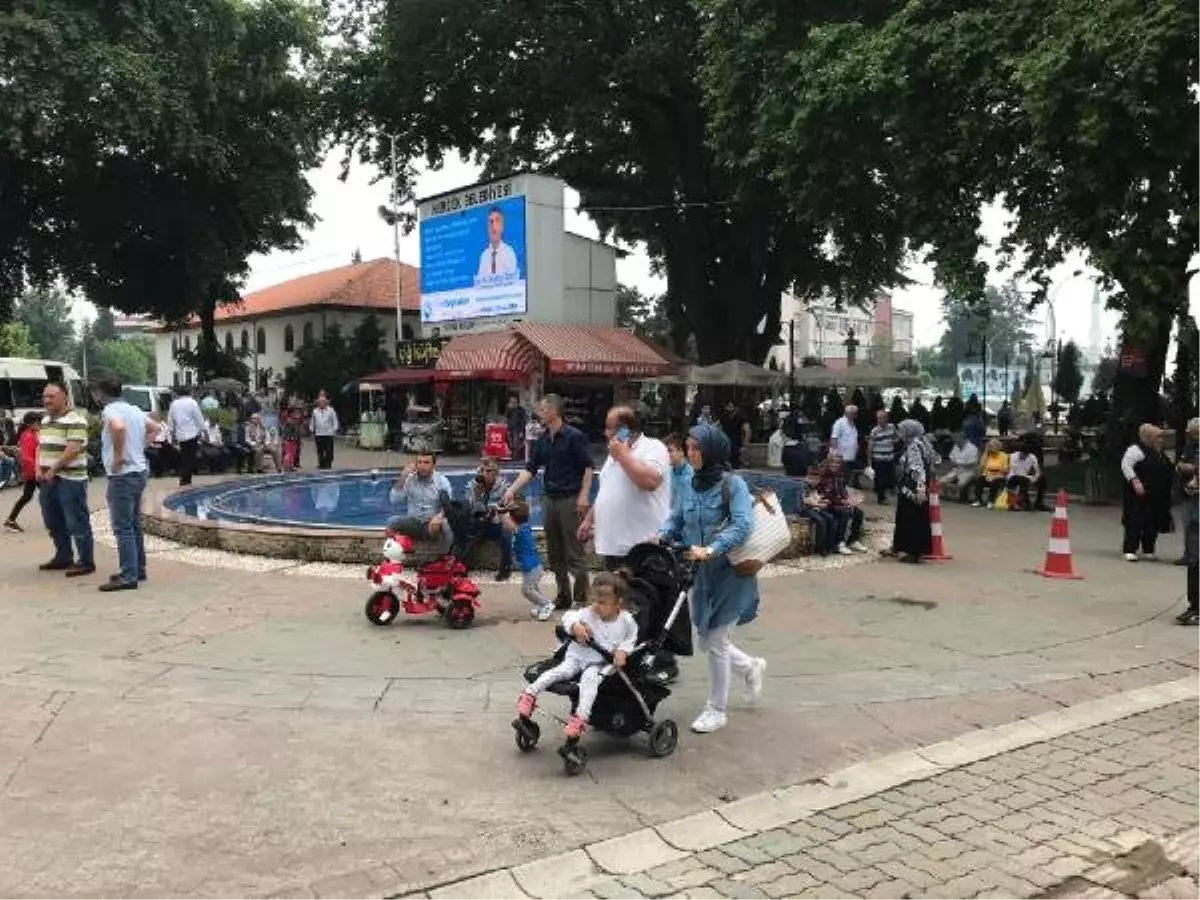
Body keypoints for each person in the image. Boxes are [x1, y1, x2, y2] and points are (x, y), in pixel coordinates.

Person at [660, 424, 766, 734]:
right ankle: (750, 667)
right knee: (705, 640)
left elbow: (743, 525)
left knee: (716, 642)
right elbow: (677, 518)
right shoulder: (690, 484)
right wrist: (662, 534)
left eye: (697, 448)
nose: (691, 453)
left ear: (713, 451)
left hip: (730, 575)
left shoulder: (733, 485)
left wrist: (712, 548)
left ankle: (716, 710)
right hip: (699, 576)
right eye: (689, 447)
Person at [515, 572, 637, 739]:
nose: (596, 606)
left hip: (600, 662)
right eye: (594, 600)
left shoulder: (626, 620)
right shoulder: (589, 613)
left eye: (602, 603)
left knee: (589, 682)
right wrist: (575, 626)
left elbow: (631, 638)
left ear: (618, 603)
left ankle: (580, 718)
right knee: (559, 672)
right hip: (578, 655)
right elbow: (568, 616)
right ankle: (529, 695)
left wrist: (622, 651)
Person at [503, 395, 594, 609]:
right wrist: (512, 489)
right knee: (554, 552)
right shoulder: (543, 440)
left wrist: (584, 495)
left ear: (554, 410)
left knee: (574, 552)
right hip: (550, 498)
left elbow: (588, 467)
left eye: (543, 409)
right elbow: (530, 469)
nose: (540, 413)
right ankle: (564, 595)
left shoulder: (574, 436)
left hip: (570, 498)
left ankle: (581, 598)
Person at [579, 406, 670, 571]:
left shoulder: (653, 448)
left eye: (608, 428)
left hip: (640, 546)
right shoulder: (613, 454)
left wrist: (623, 456)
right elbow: (607, 489)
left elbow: (650, 481)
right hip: (613, 547)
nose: (605, 434)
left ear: (624, 430)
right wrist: (589, 519)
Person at [94, 378, 152, 591]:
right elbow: (155, 427)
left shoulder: (111, 411)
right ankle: (138, 568)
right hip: (139, 471)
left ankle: (129, 575)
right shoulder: (135, 409)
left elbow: (118, 428)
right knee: (133, 523)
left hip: (122, 475)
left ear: (100, 393)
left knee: (123, 526)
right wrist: (140, 448)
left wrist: (118, 456)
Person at [36, 382, 95, 577]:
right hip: (47, 479)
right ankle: (63, 556)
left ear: (64, 397)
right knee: (52, 520)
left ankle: (86, 561)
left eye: (51, 396)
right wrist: (39, 468)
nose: (47, 400)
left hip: (70, 479)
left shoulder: (75, 419)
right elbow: (41, 446)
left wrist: (53, 468)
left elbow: (73, 448)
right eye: (45, 396)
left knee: (76, 520)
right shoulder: (45, 421)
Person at [1120, 424, 1173, 562]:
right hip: (1139, 492)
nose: (1161, 439)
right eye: (1158, 436)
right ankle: (1130, 549)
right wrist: (1135, 481)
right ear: (1148, 436)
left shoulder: (1159, 451)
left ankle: (1148, 549)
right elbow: (1126, 465)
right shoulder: (1135, 450)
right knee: (1135, 520)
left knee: (1152, 522)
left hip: (1156, 494)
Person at [888, 419, 935, 564]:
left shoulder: (914, 446)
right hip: (914, 486)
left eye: (901, 430)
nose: (899, 433)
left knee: (910, 519)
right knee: (913, 518)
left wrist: (919, 489)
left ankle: (913, 551)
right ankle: (903, 547)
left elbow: (918, 468)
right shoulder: (920, 443)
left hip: (911, 488)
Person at [499, 500, 555, 621]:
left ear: (513, 518)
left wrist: (501, 513)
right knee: (533, 588)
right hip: (532, 567)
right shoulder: (523, 527)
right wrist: (504, 512)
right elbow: (507, 524)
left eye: (510, 515)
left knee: (527, 590)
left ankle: (546, 605)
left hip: (532, 568)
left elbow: (507, 525)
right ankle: (541, 604)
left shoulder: (521, 529)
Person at [388, 452, 455, 552]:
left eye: (426, 462)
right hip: (413, 522)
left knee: (446, 524)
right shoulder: (409, 479)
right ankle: (396, 553)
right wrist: (403, 477)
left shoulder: (442, 481)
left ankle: (446, 555)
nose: (422, 466)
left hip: (431, 525)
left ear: (433, 465)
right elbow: (394, 499)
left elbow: (448, 506)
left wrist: (439, 516)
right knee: (392, 522)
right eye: (419, 462)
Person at [810, 453, 867, 554]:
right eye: (832, 462)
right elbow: (825, 496)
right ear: (828, 463)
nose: (835, 465)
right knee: (844, 512)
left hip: (837, 503)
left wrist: (850, 500)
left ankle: (853, 540)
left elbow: (842, 491)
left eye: (838, 463)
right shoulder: (823, 477)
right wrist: (842, 502)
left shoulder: (839, 476)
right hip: (825, 505)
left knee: (858, 512)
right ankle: (839, 542)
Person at [467, 456, 513, 579]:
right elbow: (470, 509)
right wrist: (477, 495)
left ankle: (505, 569)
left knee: (507, 533)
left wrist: (497, 511)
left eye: (488, 471)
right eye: (482, 470)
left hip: (495, 524)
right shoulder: (472, 485)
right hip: (478, 524)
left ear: (496, 473)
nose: (484, 474)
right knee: (463, 531)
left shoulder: (505, 487)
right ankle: (462, 566)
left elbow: (509, 509)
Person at [1175, 418, 1200, 623]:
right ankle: (1195, 607)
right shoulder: (1190, 445)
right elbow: (1182, 466)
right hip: (1194, 509)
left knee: (1196, 560)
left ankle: (1197, 608)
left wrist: (1194, 477)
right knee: (1194, 560)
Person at [4, 413, 41, 532]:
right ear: (31, 423)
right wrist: (37, 471)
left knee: (27, 496)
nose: (40, 424)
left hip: (33, 471)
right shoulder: (28, 436)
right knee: (50, 495)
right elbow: (27, 458)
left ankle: (10, 520)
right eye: (38, 422)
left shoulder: (31, 434)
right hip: (34, 472)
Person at [168, 387, 206, 486]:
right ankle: (186, 479)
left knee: (184, 456)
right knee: (190, 457)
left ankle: (184, 478)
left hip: (180, 434)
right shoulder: (192, 403)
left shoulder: (174, 404)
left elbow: (171, 420)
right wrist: (203, 430)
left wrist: (171, 434)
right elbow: (198, 417)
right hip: (192, 434)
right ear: (189, 392)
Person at [477, 206, 519, 280]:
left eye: (497, 221)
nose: (493, 226)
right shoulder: (484, 256)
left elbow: (513, 281)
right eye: (491, 221)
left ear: (502, 226)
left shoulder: (509, 252)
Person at [866, 409, 897, 503]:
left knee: (891, 477)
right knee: (880, 480)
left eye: (882, 418)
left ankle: (888, 491)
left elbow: (897, 436)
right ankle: (881, 498)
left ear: (886, 418)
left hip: (889, 458)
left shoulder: (892, 427)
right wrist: (869, 462)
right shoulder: (874, 431)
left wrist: (893, 441)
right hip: (879, 459)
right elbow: (870, 447)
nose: (880, 420)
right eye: (878, 418)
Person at [972, 439, 1010, 508]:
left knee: (995, 482)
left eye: (993, 447)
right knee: (980, 480)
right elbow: (982, 467)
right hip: (988, 476)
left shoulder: (1004, 456)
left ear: (998, 447)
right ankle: (978, 500)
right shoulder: (988, 455)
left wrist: (996, 469)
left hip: (999, 477)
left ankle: (991, 501)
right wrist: (986, 452)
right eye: (990, 447)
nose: (991, 449)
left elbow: (1006, 470)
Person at [943, 433, 980, 502]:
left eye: (957, 440)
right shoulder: (956, 446)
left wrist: (959, 464)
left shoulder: (973, 448)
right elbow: (951, 458)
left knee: (961, 484)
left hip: (969, 471)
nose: (956, 442)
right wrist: (954, 463)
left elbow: (973, 463)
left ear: (964, 439)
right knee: (942, 482)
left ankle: (960, 496)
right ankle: (948, 496)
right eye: (956, 441)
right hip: (956, 470)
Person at [1006, 444, 1041, 511]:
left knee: (1042, 480)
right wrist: (1028, 477)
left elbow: (1037, 471)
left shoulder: (1032, 457)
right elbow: (1014, 472)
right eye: (1023, 455)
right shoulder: (1013, 456)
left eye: (1026, 455)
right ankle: (1025, 503)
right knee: (1023, 480)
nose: (1024, 457)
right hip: (1013, 476)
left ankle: (1039, 503)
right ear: (1020, 452)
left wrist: (1035, 478)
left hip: (1026, 477)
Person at [310, 391, 339, 470]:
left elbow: (335, 421)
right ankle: (321, 464)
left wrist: (334, 430)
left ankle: (328, 464)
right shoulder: (315, 411)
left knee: (329, 450)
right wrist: (312, 430)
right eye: (320, 402)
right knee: (320, 450)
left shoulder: (331, 410)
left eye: (323, 402)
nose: (321, 404)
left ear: (326, 403)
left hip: (328, 433)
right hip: (319, 433)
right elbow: (313, 421)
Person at [665, 433, 693, 507]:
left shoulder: (691, 476)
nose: (666, 454)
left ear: (681, 452)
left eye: (670, 451)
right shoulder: (669, 471)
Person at [720, 402, 751, 469]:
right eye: (727, 407)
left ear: (736, 408)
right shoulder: (725, 417)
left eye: (730, 406)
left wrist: (745, 445)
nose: (728, 408)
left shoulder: (741, 418)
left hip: (736, 445)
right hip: (727, 446)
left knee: (735, 466)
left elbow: (747, 431)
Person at [830, 405, 860, 469]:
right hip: (841, 459)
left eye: (855, 413)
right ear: (847, 413)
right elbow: (834, 439)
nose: (855, 416)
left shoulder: (853, 424)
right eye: (853, 413)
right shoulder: (839, 423)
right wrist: (835, 456)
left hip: (851, 458)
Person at [505, 397, 527, 461]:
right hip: (510, 428)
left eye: (515, 402)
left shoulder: (521, 410)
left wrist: (522, 431)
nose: (513, 404)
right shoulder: (509, 410)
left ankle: (516, 457)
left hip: (517, 429)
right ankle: (512, 455)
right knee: (510, 443)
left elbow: (523, 421)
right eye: (512, 402)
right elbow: (507, 418)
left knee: (516, 443)